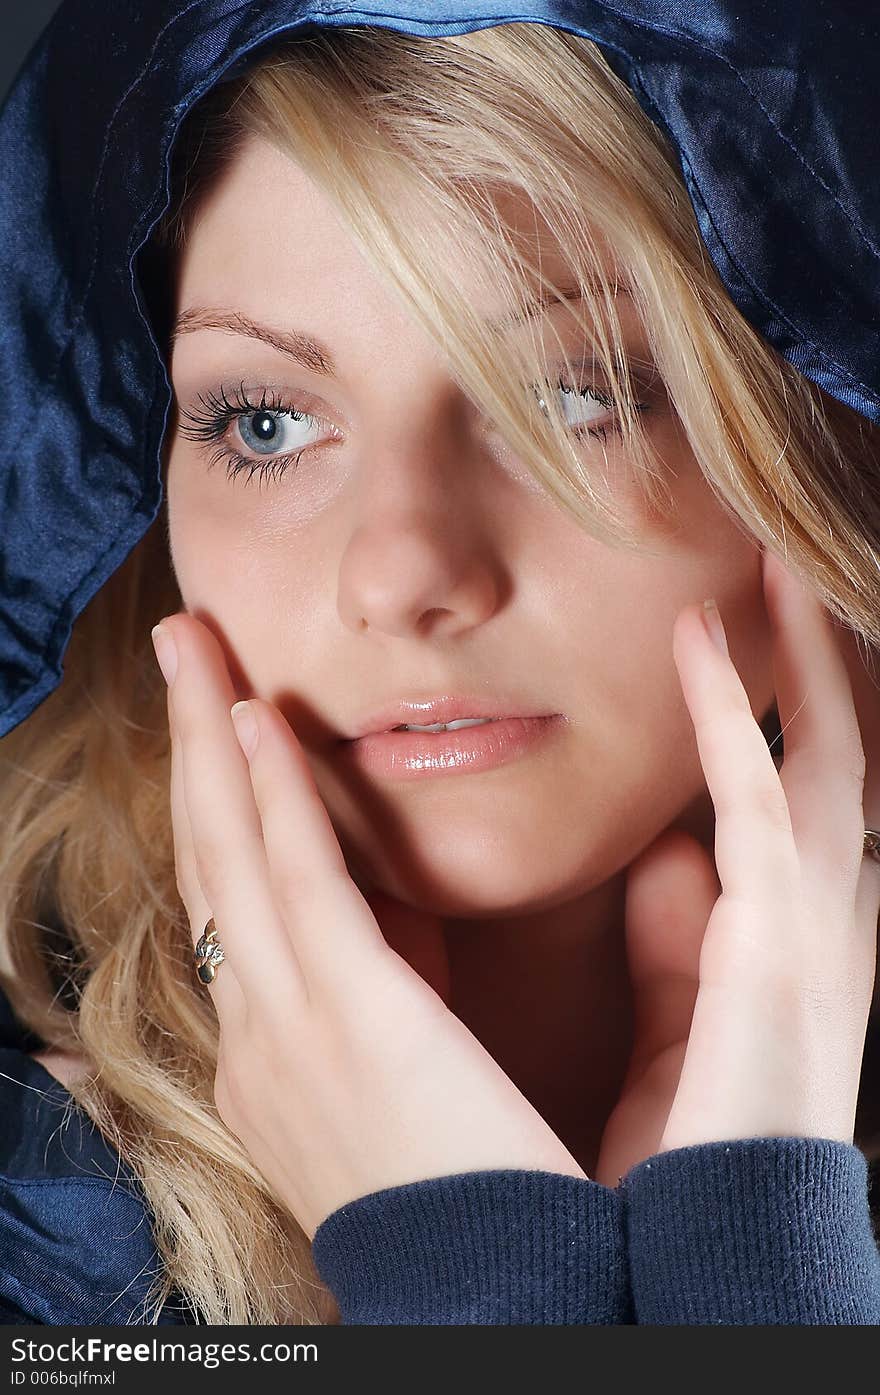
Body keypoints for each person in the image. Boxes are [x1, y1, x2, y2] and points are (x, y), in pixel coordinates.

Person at [0, 3, 879, 1327]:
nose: (404, 573)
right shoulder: (38, 1254)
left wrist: (758, 1246)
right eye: (269, 421)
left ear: (810, 434)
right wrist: (482, 1274)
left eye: (579, 396)